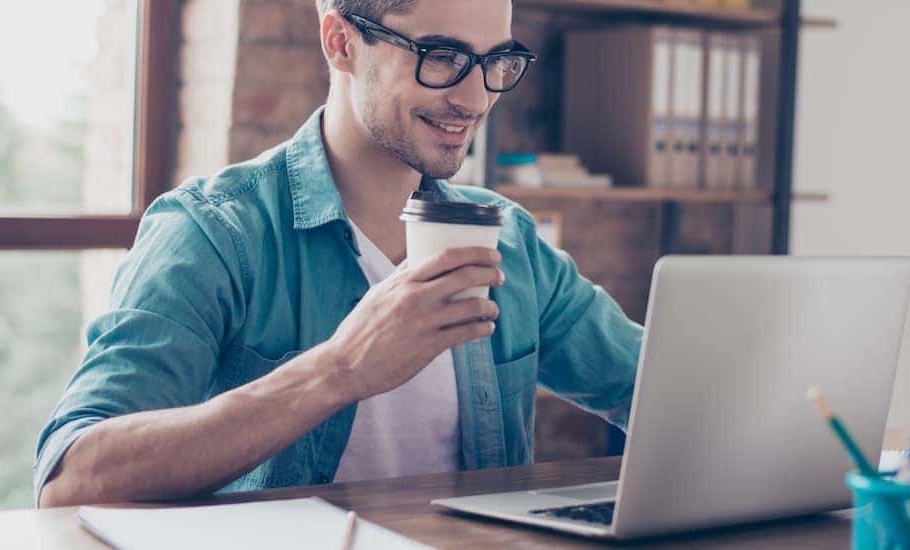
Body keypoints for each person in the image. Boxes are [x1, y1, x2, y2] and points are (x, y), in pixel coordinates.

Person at [35, 0, 642, 507]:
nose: (476, 97)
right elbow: (71, 478)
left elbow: (653, 387)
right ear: (341, 42)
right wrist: (338, 370)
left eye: (497, 62)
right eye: (444, 57)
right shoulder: (215, 232)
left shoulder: (509, 238)